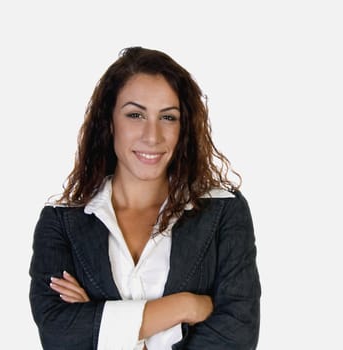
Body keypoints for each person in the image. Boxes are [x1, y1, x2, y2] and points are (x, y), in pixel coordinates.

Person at [29, 46, 261, 350]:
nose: (152, 136)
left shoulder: (223, 211)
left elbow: (237, 335)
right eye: (135, 114)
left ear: (183, 128)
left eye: (168, 117)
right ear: (110, 122)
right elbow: (59, 335)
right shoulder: (62, 221)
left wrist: (102, 323)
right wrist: (186, 306)